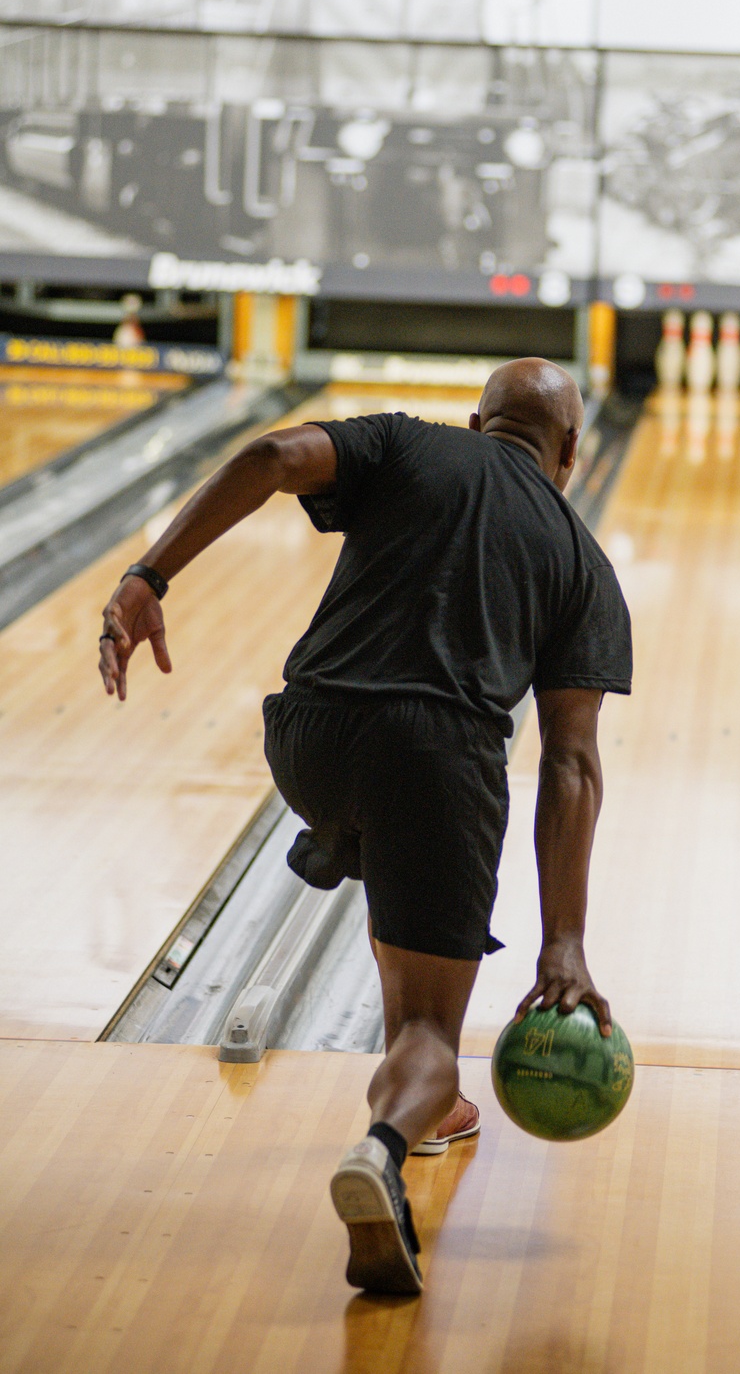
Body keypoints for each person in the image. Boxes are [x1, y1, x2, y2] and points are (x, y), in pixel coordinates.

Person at [98, 357, 632, 1296]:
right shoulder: (581, 561)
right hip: (437, 754)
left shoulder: (406, 442)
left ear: (476, 424)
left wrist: (150, 575)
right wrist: (566, 942)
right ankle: (386, 1141)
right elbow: (570, 761)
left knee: (393, 851)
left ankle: (435, 1100)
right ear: (574, 454)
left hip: (308, 734)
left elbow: (268, 455)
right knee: (431, 1018)